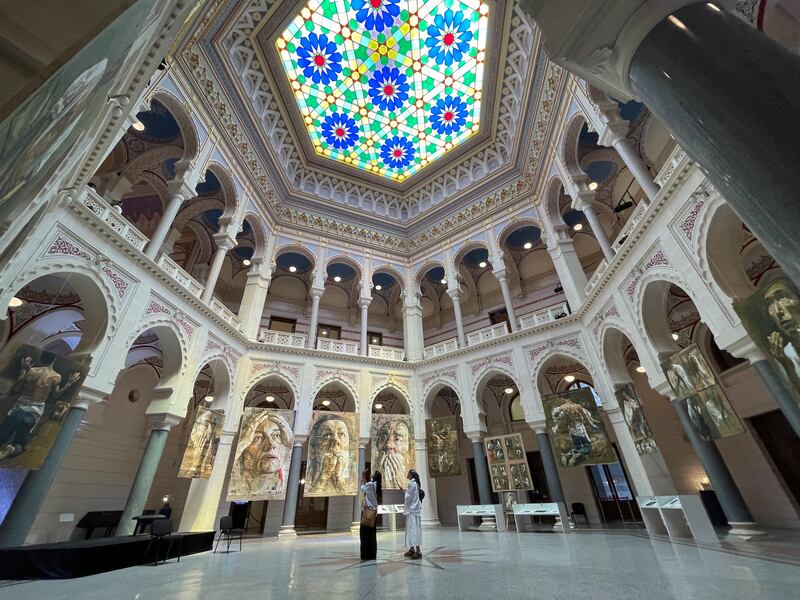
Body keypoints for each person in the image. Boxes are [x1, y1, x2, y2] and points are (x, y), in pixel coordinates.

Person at [0, 350, 81, 461]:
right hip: (35, 411)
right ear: (54, 359)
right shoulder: (56, 377)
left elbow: (18, 387)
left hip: (20, 406)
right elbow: (55, 396)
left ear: (41, 359)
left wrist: (23, 370)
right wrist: (69, 383)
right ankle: (13, 449)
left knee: (3, 433)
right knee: (21, 440)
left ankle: (6, 447)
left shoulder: (32, 371)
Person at [228, 411, 293, 500]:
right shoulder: (235, 474)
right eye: (258, 437)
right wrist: (241, 444)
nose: (270, 445)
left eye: (276, 435)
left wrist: (291, 444)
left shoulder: (286, 477)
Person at [306, 413, 355, 495]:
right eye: (327, 435)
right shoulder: (308, 481)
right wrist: (323, 477)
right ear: (313, 450)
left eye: (341, 434)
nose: (336, 440)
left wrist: (338, 478)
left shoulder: (353, 482)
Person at [374, 417, 413, 489]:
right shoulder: (373, 483)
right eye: (383, 437)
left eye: (397, 439)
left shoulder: (413, 484)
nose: (388, 445)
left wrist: (402, 481)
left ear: (409, 445)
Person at [359, 470, 382, 560]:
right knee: (372, 534)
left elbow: (362, 488)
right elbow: (366, 487)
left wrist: (363, 476)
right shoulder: (377, 485)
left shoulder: (371, 484)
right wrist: (366, 479)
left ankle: (366, 554)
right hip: (374, 512)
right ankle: (372, 554)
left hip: (367, 512)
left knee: (364, 534)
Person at [403, 469, 423, 559]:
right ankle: (412, 549)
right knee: (411, 529)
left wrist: (405, 493)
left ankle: (418, 551)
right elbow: (410, 495)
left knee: (414, 529)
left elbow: (409, 497)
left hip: (412, 510)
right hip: (412, 510)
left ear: (411, 475)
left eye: (408, 473)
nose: (407, 474)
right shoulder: (414, 484)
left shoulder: (413, 484)